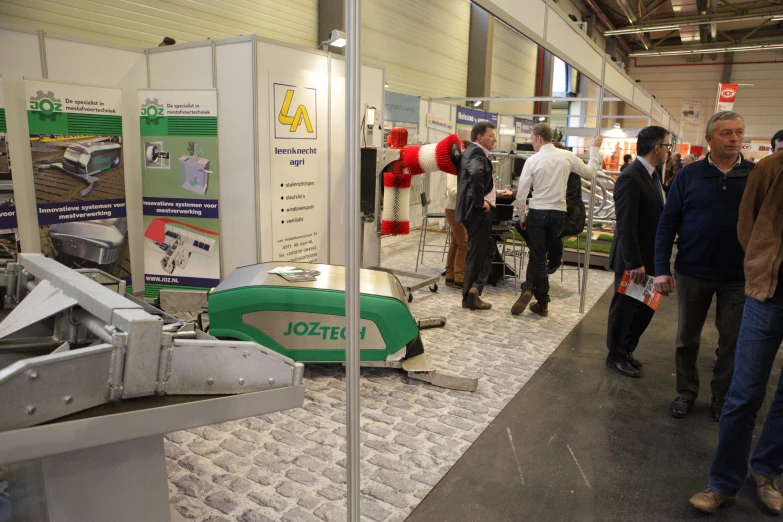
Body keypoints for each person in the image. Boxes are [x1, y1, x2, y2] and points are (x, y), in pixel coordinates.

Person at [689, 150, 783, 516]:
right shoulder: (771, 169)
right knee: (743, 391)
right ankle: (724, 483)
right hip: (767, 293)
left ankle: (766, 472)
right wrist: (760, 264)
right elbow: (748, 225)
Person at [653, 111, 754, 420]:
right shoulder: (688, 175)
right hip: (693, 270)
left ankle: (722, 396)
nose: (734, 138)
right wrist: (661, 269)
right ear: (709, 139)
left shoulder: (755, 175)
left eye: (738, 132)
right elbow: (667, 224)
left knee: (732, 339)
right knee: (687, 337)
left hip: (738, 274)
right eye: (726, 133)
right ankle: (686, 391)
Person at [511, 124, 603, 317]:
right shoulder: (567, 156)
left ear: (537, 138)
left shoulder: (533, 160)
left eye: (531, 139)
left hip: (538, 211)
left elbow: (522, 192)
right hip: (559, 214)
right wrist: (594, 149)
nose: (531, 143)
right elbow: (591, 173)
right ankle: (536, 296)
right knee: (541, 254)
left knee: (537, 255)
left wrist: (521, 215)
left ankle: (539, 296)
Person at [605, 125, 670, 378]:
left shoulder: (651, 175)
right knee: (625, 309)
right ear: (657, 148)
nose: (668, 151)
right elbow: (626, 223)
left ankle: (627, 349)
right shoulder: (631, 176)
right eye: (666, 146)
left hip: (650, 256)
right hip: (634, 261)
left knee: (644, 307)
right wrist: (634, 262)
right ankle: (616, 355)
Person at [455, 122, 497, 310]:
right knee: (478, 252)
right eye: (491, 135)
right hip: (476, 210)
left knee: (485, 249)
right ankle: (471, 294)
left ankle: (473, 290)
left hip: (471, 209)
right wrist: (480, 201)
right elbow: (475, 173)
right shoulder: (477, 153)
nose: (494, 139)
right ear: (480, 137)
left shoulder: (473, 152)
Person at [443, 141, 471, 289]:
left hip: (458, 209)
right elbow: (452, 191)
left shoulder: (462, 167)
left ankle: (450, 274)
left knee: (456, 242)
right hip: (453, 208)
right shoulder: (453, 169)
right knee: (463, 242)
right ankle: (459, 276)